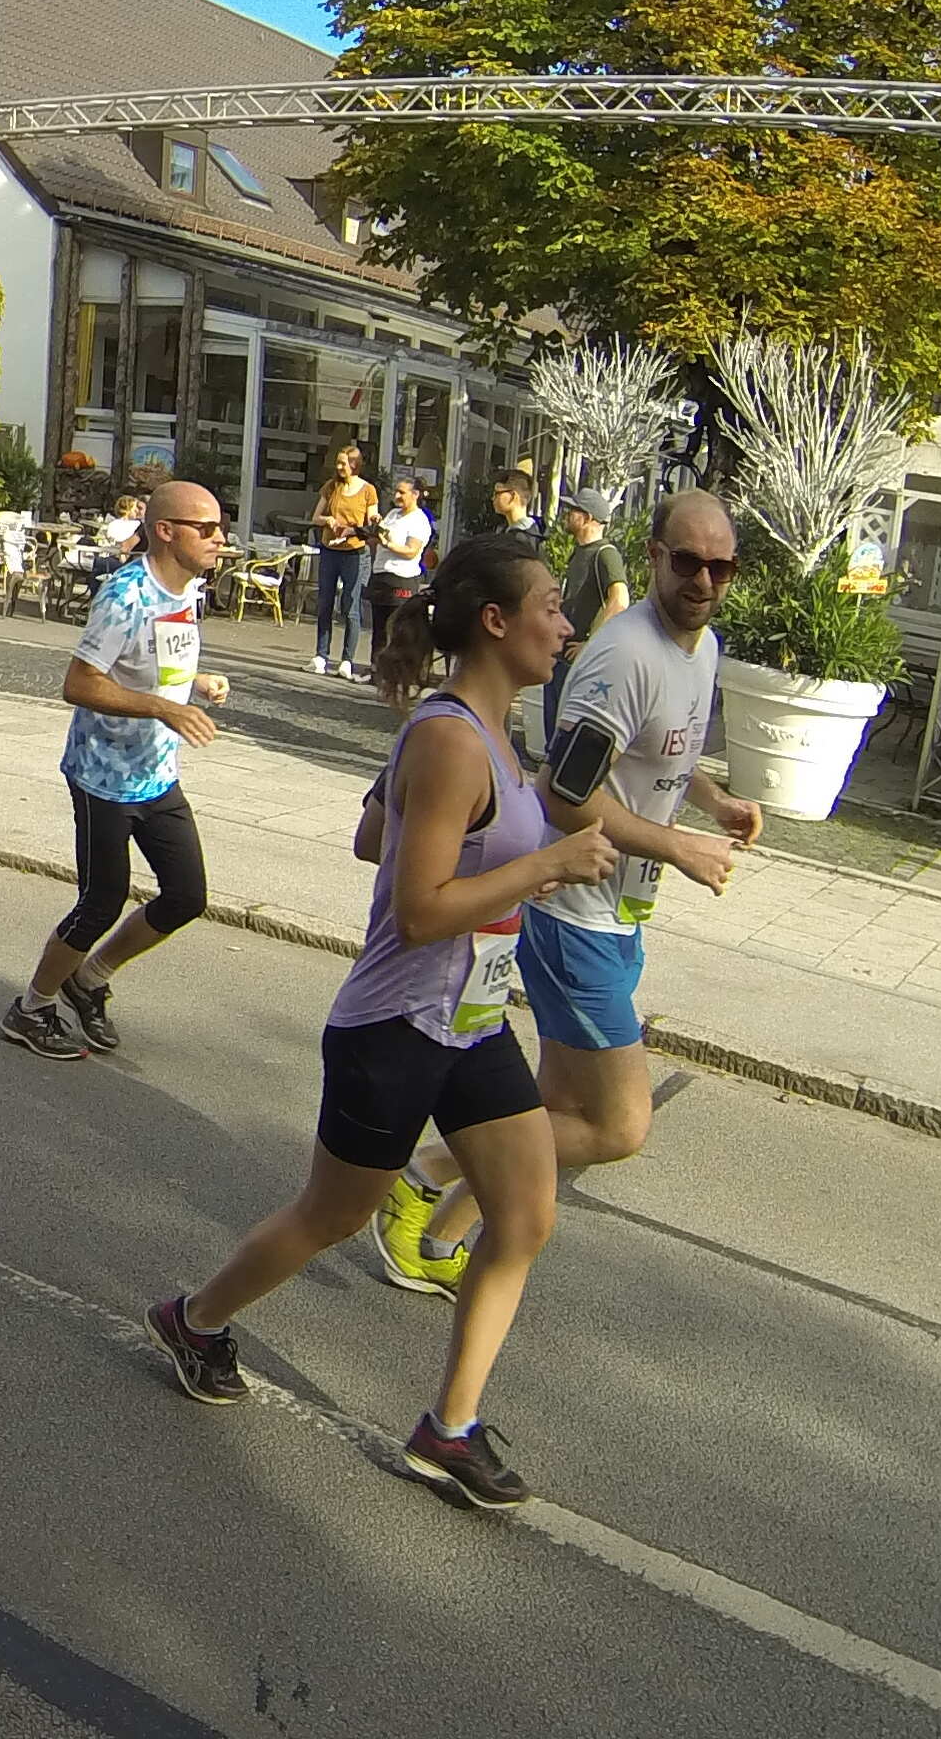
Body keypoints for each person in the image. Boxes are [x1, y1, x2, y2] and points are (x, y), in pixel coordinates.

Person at [148, 529, 616, 1511]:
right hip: (395, 1026)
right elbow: (418, 910)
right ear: (498, 622)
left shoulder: (494, 734)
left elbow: (377, 836)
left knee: (525, 1215)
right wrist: (539, 864)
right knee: (334, 1214)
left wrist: (461, 839)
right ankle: (195, 1319)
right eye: (551, 609)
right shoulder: (451, 738)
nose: (566, 626)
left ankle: (450, 1429)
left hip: (471, 1023)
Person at [371, 493, 760, 1297]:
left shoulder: (702, 647)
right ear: (653, 557)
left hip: (618, 912)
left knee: (554, 1104)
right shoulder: (624, 659)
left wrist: (713, 802)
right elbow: (565, 793)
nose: (703, 581)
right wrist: (679, 846)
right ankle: (427, 1169)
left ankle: (434, 1237)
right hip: (571, 912)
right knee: (618, 1126)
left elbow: (661, 754)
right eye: (688, 562)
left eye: (720, 567)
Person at [0, 479, 233, 1060]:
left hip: (157, 774)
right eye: (207, 528)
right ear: (166, 531)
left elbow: (151, 661)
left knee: (186, 896)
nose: (220, 539)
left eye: (221, 527)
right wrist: (164, 708)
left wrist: (195, 683)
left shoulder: (187, 587)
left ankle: (90, 977)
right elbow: (79, 684)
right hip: (103, 777)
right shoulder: (126, 595)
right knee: (102, 901)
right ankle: (31, 1008)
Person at [547, 484, 632, 726]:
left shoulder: (605, 554)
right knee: (553, 733)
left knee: (567, 732)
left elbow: (620, 600)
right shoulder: (579, 552)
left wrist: (591, 645)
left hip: (579, 662)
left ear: (587, 518)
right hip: (560, 657)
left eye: (573, 511)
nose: (567, 515)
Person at [308, 444, 381, 680]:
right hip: (330, 550)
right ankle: (321, 656)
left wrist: (374, 519)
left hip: (354, 552)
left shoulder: (368, 490)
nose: (339, 467)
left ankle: (347, 660)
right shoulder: (331, 487)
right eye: (338, 462)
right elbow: (316, 517)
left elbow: (371, 520)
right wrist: (327, 520)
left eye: (343, 463)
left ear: (355, 465)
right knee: (325, 602)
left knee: (351, 606)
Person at [366, 476, 433, 641]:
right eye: (396, 491)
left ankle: (395, 659)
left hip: (401, 579)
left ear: (415, 494)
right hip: (381, 575)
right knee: (379, 631)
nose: (397, 496)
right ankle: (377, 658)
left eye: (402, 492)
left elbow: (411, 551)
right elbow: (380, 538)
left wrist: (388, 544)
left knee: (396, 632)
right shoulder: (393, 514)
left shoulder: (419, 520)